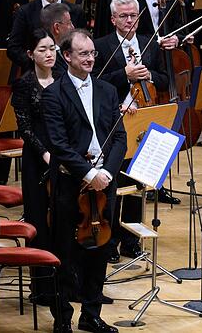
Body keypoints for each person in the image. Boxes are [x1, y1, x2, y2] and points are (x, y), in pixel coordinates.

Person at [42, 28, 126, 333]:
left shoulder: (107, 90)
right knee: (65, 251)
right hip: (70, 183)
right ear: (67, 57)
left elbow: (119, 135)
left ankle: (91, 314)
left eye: (92, 53)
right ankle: (62, 318)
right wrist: (88, 173)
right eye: (83, 54)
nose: (90, 58)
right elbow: (59, 144)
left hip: (105, 183)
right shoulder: (53, 94)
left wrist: (107, 173)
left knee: (101, 247)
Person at [93, 0, 169, 261]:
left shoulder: (150, 43)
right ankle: (110, 240)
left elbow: (163, 78)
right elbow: (97, 83)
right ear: (113, 19)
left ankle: (131, 240)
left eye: (133, 16)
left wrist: (148, 75)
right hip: (115, 120)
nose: (129, 21)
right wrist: (125, 75)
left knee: (138, 182)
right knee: (114, 182)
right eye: (123, 16)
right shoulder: (102, 46)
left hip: (144, 120)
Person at [11, 27, 56, 306]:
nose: (49, 54)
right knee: (39, 219)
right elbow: (24, 128)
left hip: (62, 155)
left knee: (64, 219)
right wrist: (45, 154)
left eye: (52, 48)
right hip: (36, 159)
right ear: (30, 54)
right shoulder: (24, 84)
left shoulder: (64, 79)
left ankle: (65, 282)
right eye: (43, 49)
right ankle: (41, 287)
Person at [7, 0, 86, 72]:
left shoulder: (76, 12)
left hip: (68, 73)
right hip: (35, 73)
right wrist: (36, 62)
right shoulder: (25, 12)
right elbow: (13, 48)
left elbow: (82, 44)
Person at [38, 3, 77, 79]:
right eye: (69, 23)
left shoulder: (68, 48)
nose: (73, 27)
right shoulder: (47, 59)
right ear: (57, 27)